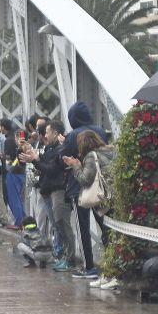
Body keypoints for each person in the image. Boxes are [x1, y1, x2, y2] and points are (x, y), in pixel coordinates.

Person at [60, 102, 109, 279]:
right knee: (105, 226)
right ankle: (112, 264)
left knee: (83, 228)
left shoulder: (73, 134)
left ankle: (88, 266)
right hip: (100, 188)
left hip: (79, 187)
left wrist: (64, 145)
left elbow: (62, 158)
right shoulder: (100, 131)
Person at [64, 129, 116, 287]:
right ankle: (109, 273)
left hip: (102, 201)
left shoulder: (91, 157)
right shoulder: (111, 151)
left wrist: (76, 166)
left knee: (108, 238)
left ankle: (113, 275)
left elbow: (85, 180)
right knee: (111, 236)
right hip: (113, 198)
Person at [22, 120, 74, 272]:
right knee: (57, 225)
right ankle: (63, 256)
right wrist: (35, 158)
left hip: (58, 189)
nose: (45, 135)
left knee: (62, 224)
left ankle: (67, 258)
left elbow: (52, 168)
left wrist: (36, 160)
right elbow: (46, 166)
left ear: (56, 133)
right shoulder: (51, 148)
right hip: (49, 189)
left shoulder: (61, 149)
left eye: (48, 132)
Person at [1, 118, 27, 228]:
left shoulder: (8, 140)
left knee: (13, 198)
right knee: (18, 197)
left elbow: (8, 158)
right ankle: (23, 220)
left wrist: (1, 156)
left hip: (12, 171)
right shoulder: (23, 144)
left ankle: (19, 222)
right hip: (21, 171)